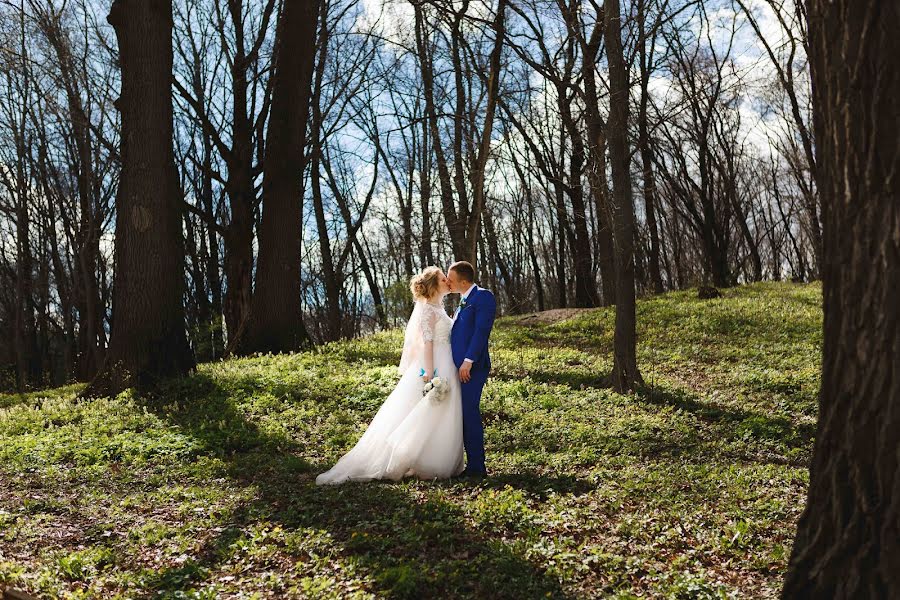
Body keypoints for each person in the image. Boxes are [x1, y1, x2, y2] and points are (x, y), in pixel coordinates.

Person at [315, 266, 464, 485]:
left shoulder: (439, 307)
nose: (448, 282)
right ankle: (413, 460)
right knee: (422, 411)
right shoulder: (427, 311)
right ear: (434, 286)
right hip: (434, 365)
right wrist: (430, 375)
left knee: (438, 413)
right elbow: (427, 345)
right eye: (444, 280)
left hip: (447, 361)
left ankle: (430, 459)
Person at [446, 260, 497, 478]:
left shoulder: (483, 297)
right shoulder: (463, 301)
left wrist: (468, 360)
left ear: (464, 281)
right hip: (459, 368)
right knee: (463, 415)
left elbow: (481, 330)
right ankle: (472, 464)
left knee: (469, 414)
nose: (448, 282)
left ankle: (477, 467)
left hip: (472, 368)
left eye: (451, 279)